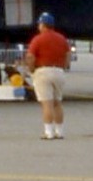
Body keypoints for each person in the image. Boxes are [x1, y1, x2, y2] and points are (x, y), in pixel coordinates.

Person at [22, 12, 71, 140]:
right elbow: (68, 55)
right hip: (59, 71)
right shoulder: (62, 39)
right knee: (57, 103)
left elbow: (30, 56)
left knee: (47, 104)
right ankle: (59, 131)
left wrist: (31, 69)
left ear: (43, 25)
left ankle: (48, 132)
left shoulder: (38, 39)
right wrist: (64, 67)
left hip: (43, 71)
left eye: (39, 24)